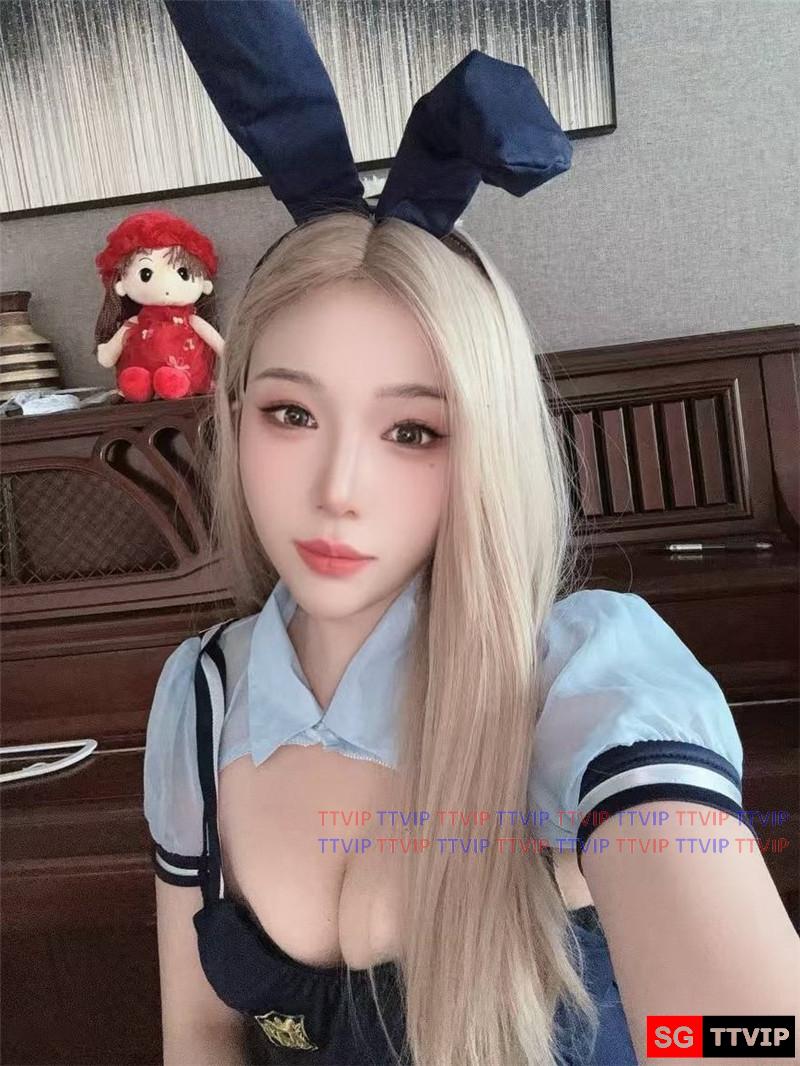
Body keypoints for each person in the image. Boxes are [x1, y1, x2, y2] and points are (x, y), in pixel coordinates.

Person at [142, 4, 799, 1065]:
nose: (338, 490)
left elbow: (749, 1037)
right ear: (232, 416)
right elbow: (201, 1030)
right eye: (291, 414)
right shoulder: (199, 701)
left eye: (412, 431)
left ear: (482, 444)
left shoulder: (580, 678)